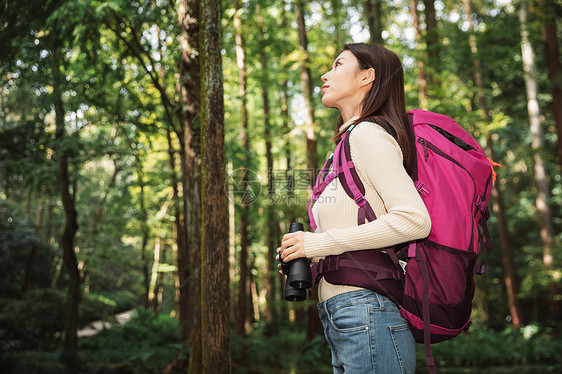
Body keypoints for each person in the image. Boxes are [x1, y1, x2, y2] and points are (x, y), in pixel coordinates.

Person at [277, 43, 431, 373]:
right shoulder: (343, 149)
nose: (325, 73)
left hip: (368, 311)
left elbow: (414, 220)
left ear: (367, 76)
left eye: (337, 64)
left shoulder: (368, 135)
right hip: (347, 314)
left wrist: (316, 243)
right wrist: (306, 255)